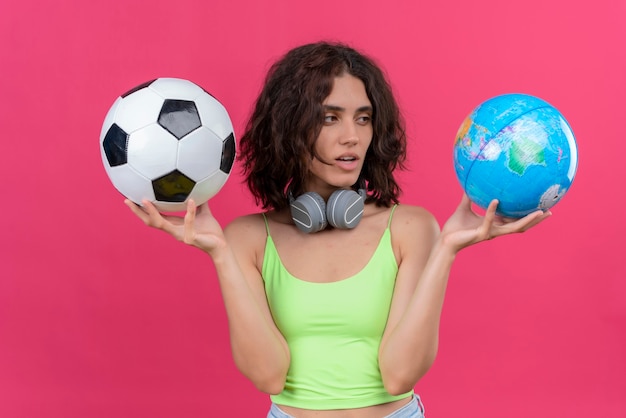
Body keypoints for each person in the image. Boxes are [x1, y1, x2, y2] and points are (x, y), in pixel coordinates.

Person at [125, 41, 550, 418]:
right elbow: (269, 376)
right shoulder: (246, 239)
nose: (352, 137)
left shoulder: (411, 227)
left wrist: (446, 251)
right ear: (290, 129)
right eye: (330, 118)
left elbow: (399, 374)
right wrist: (219, 252)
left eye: (363, 119)